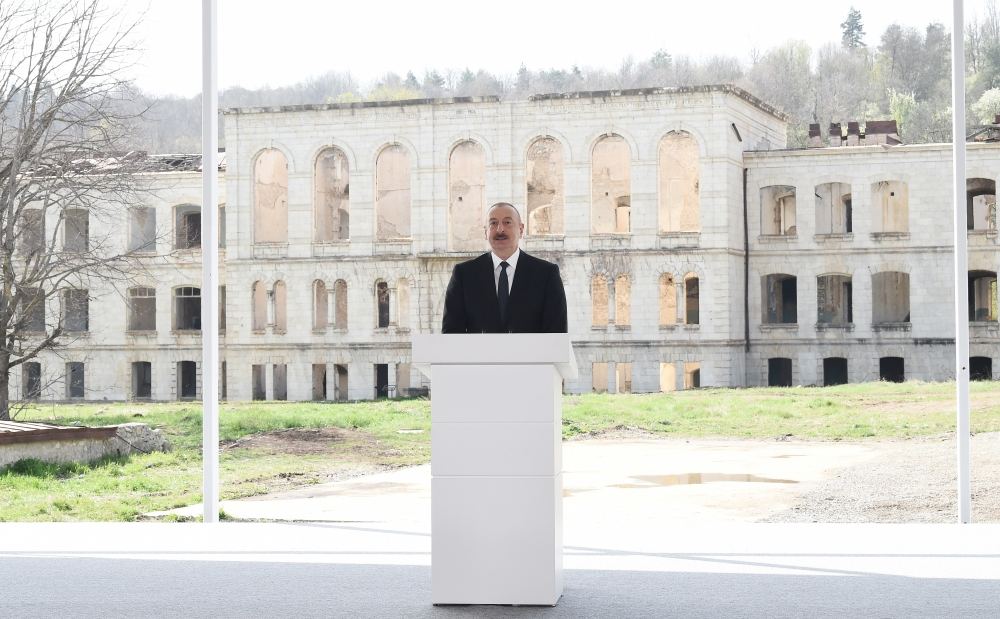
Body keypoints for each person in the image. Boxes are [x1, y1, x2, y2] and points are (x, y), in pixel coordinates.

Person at [442, 202, 568, 333]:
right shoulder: (464, 275)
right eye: (493, 223)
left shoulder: (546, 274)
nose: (500, 229)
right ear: (485, 232)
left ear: (521, 229)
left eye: (507, 222)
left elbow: (556, 333)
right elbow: (451, 333)